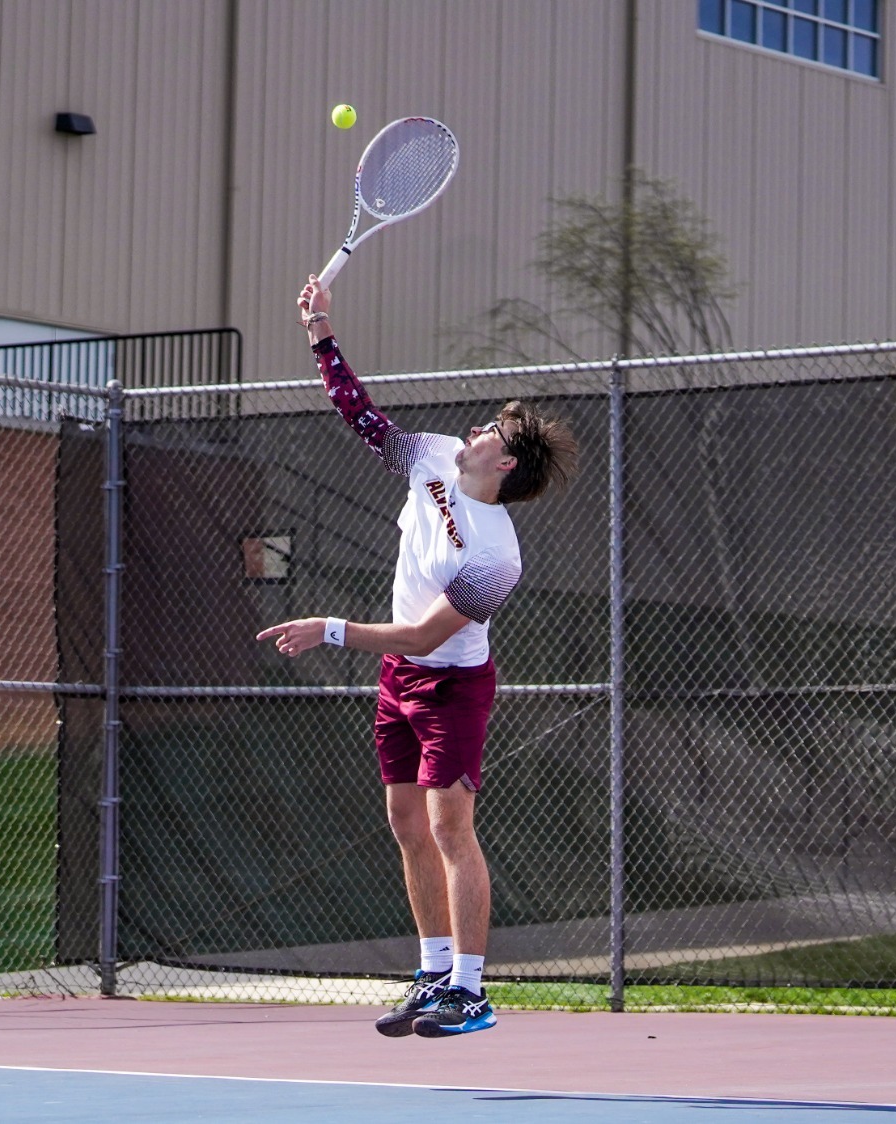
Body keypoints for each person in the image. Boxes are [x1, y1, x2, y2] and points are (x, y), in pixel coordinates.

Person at [257, 276, 578, 1038]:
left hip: (451, 688)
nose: (478, 430)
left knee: (449, 829)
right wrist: (320, 333)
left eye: (495, 433)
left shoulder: (496, 558)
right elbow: (360, 417)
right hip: (397, 683)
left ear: (504, 467)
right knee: (405, 823)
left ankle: (472, 991)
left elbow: (423, 639)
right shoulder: (431, 456)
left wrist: (330, 628)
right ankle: (434, 974)